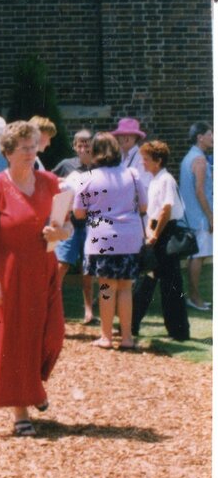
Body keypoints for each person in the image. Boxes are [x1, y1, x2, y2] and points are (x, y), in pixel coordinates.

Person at [0, 121, 68, 436]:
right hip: (8, 272)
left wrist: (60, 232)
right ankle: (21, 411)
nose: (31, 153)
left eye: (34, 146)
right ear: (8, 153)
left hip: (44, 269)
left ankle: (32, 387)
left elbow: (66, 227)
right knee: (14, 341)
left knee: (52, 335)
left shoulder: (51, 182)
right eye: (24, 148)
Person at [72, 131, 146, 350]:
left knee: (106, 286)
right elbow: (143, 207)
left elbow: (78, 212)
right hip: (130, 238)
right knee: (125, 287)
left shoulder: (88, 178)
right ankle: (127, 338)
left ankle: (106, 336)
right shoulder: (132, 174)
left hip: (101, 237)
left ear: (94, 152)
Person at [132, 140, 190, 341]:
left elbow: (166, 209)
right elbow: (154, 211)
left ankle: (178, 330)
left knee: (167, 282)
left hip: (165, 234)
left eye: (146, 159)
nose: (143, 163)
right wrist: (149, 231)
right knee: (150, 278)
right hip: (157, 232)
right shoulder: (156, 179)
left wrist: (155, 234)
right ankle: (134, 323)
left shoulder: (165, 180)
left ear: (158, 161)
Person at [52, 128, 95, 324]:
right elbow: (51, 184)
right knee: (62, 265)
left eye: (87, 144)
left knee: (88, 270)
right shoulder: (66, 165)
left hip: (90, 225)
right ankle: (53, 308)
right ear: (74, 146)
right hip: (69, 224)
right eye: (80, 144)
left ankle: (89, 311)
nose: (83, 148)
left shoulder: (98, 166)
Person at [179, 122, 213, 310]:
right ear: (200, 137)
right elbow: (200, 191)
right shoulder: (199, 160)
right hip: (199, 217)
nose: (213, 138)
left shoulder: (190, 157)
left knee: (196, 257)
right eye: (210, 134)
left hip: (192, 216)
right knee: (198, 257)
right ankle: (194, 298)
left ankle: (194, 296)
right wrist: (210, 217)